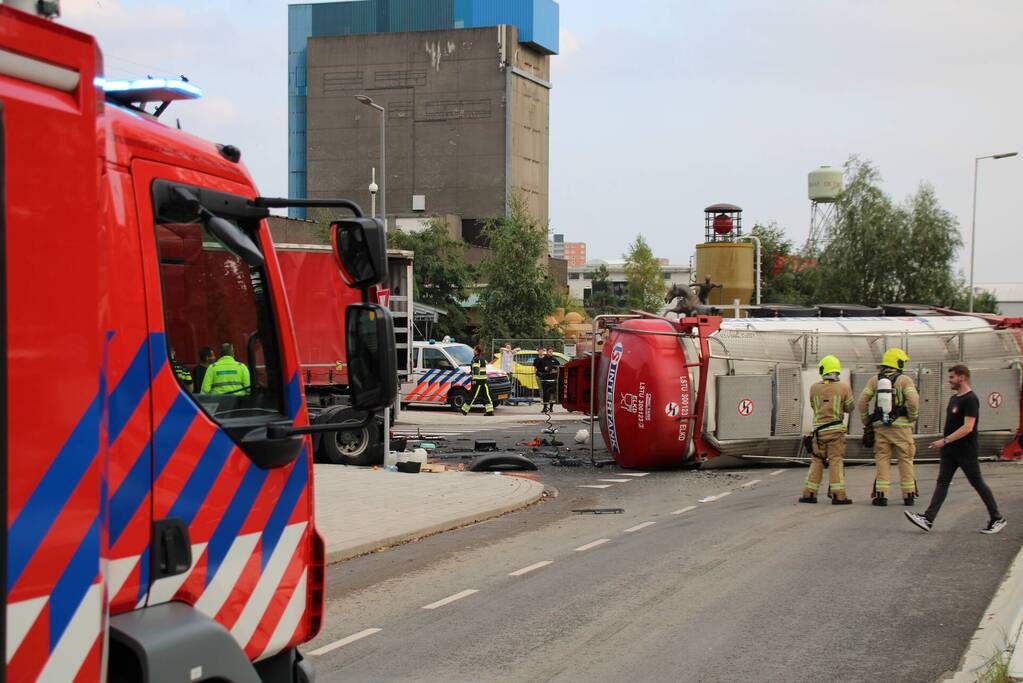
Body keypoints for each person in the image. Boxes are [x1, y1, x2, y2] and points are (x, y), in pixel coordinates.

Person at [906, 365, 1007, 534]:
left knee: (977, 483)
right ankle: (928, 519)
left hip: (966, 451)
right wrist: (945, 445)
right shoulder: (954, 399)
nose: (949, 380)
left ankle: (997, 518)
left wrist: (944, 441)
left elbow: (968, 427)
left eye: (952, 377)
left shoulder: (970, 399)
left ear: (962, 377)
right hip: (950, 452)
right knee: (942, 482)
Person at [857, 347, 919, 506]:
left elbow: (862, 401)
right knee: (905, 459)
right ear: (898, 362)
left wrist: (866, 421)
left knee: (882, 460)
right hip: (902, 428)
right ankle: (909, 495)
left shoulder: (874, 380)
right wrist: (912, 418)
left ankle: (881, 495)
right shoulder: (905, 380)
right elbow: (913, 401)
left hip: (880, 427)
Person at [799, 355, 855, 505]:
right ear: (836, 370)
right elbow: (850, 407)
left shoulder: (814, 388)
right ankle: (839, 495)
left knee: (816, 460)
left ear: (823, 370)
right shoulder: (843, 387)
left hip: (818, 432)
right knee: (836, 461)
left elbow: (813, 405)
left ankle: (809, 493)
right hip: (836, 431)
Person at [462, 345, 494, 416]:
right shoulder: (482, 359)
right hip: (484, 380)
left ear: (476, 351)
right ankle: (490, 411)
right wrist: (471, 373)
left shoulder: (476, 359)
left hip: (477, 381)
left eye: (474, 349)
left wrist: (474, 379)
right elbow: (479, 369)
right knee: (486, 395)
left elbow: (476, 370)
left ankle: (464, 409)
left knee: (472, 395)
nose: (473, 351)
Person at [533, 348, 559, 414]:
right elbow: (538, 369)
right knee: (545, 393)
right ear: (547, 352)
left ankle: (551, 408)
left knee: (552, 393)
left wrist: (555, 370)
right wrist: (544, 369)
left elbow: (558, 367)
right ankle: (545, 408)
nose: (551, 353)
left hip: (553, 379)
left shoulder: (554, 360)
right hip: (545, 379)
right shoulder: (542, 360)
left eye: (552, 352)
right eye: (550, 351)